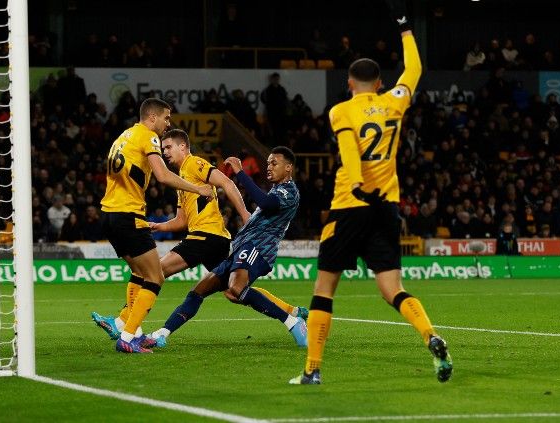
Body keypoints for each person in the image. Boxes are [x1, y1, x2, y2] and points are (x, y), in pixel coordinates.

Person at [290, 0, 452, 385]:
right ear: (380, 83)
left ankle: (312, 369)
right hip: (385, 207)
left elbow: (348, 153)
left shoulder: (342, 111)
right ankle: (430, 335)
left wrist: (359, 184)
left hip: (350, 204)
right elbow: (414, 68)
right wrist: (405, 27)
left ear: (350, 83)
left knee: (324, 288)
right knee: (392, 288)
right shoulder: (394, 102)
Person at [92, 131, 307, 347]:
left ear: (183, 146)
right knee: (232, 290)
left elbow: (227, 183)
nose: (164, 152)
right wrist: (159, 226)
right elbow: (181, 221)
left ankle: (124, 323)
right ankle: (292, 312)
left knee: (155, 272)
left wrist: (243, 214)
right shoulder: (182, 178)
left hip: (207, 237)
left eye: (168, 147)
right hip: (213, 240)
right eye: (162, 149)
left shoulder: (194, 163)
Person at [145, 147, 306, 348]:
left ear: (289, 168)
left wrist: (240, 172)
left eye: (274, 163)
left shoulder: (289, 191)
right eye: (268, 163)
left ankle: (293, 323)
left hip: (258, 249)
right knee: (201, 291)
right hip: (242, 248)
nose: (269, 167)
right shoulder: (276, 189)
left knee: (236, 288)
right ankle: (162, 333)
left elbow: (265, 203)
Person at [99, 98, 214, 353]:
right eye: (166, 118)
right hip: (128, 215)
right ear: (152, 118)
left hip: (109, 215)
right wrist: (197, 188)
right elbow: (162, 176)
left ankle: (129, 329)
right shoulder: (148, 136)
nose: (168, 123)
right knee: (156, 276)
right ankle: (127, 337)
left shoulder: (123, 136)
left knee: (142, 274)